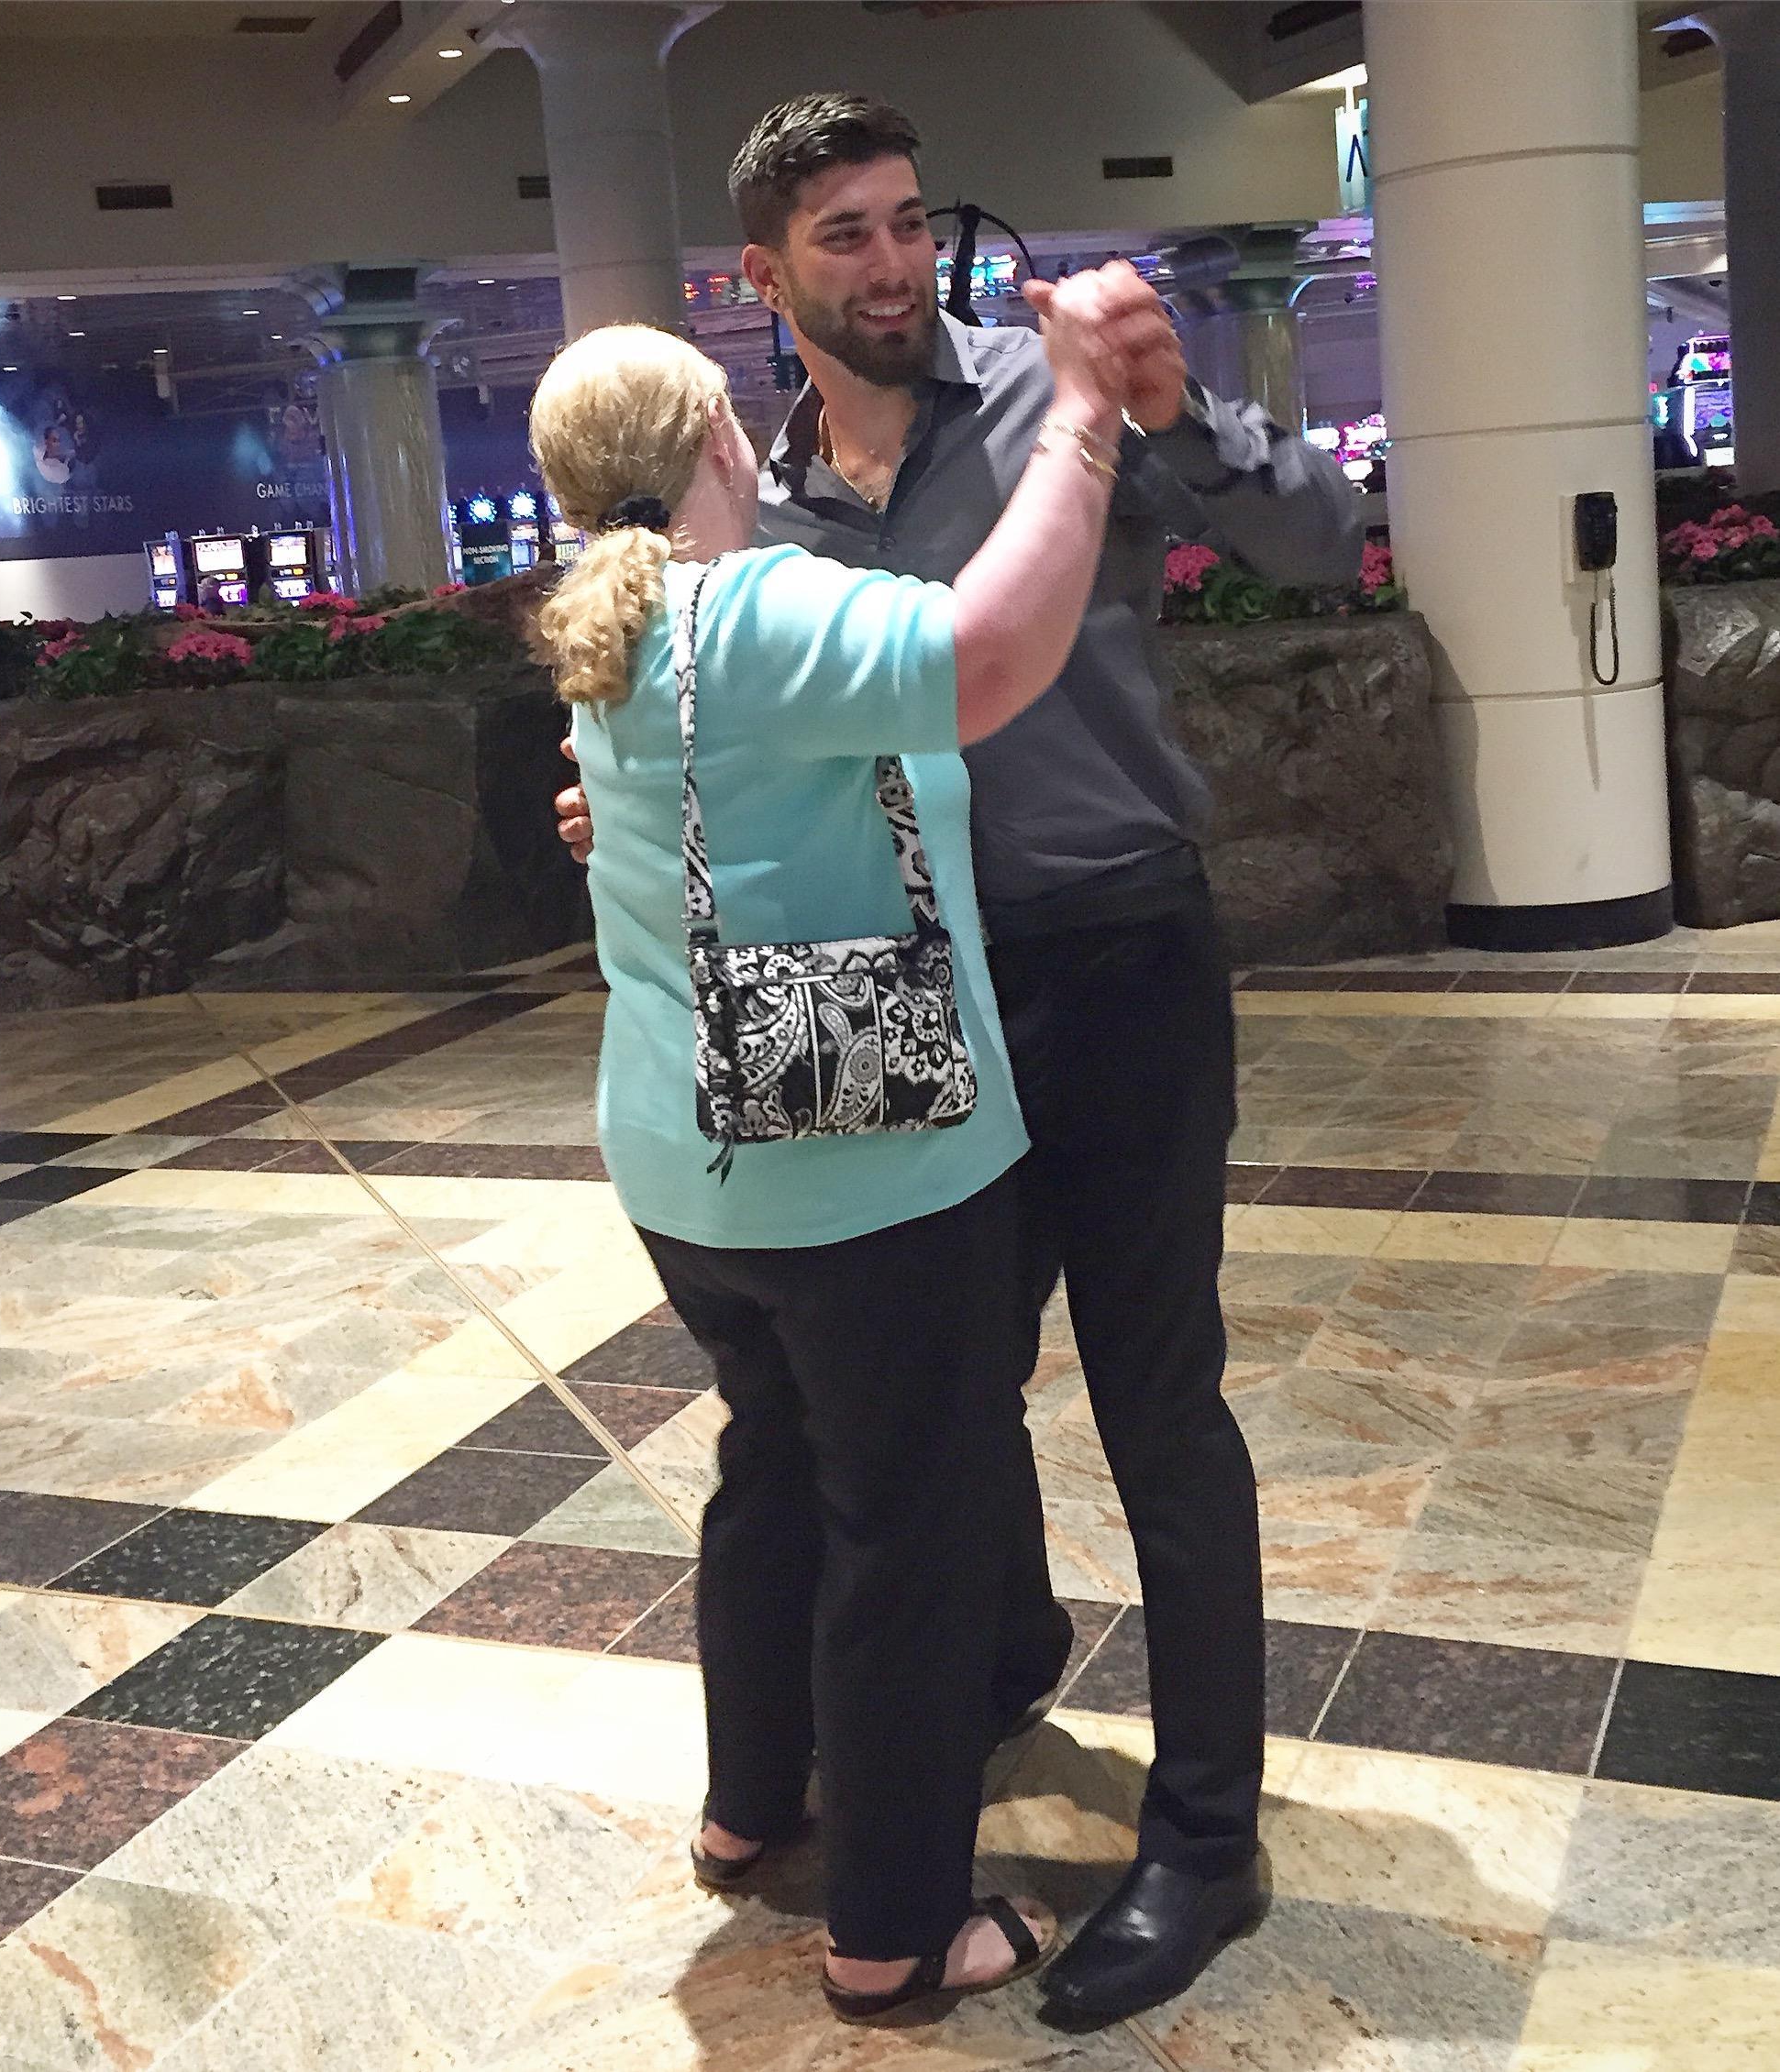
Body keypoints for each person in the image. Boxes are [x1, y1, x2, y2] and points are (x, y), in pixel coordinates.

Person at [555, 93, 1364, 2031]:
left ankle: (1201, 1831)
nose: (893, 261)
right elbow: (700, 706)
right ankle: (982, 1671)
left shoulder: (1044, 390)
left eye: (908, 220)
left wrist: (1162, 406)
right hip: (919, 1011)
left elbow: (1317, 541)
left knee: (1158, 1401)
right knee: (943, 1392)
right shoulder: (759, 500)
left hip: (1118, 964)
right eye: (842, 234)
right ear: (762, 276)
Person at [529, 258, 1158, 2022]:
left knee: (782, 1466)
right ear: (724, 432)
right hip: (856, 1160)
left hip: (686, 1159)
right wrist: (1086, 419)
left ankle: (755, 1807)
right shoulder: (745, 611)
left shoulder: (620, 627)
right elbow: (989, 650)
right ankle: (894, 1931)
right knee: (911, 1526)